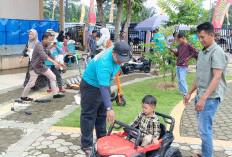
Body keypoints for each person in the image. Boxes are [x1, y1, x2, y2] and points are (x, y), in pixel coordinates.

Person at [184, 22, 228, 157]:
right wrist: (190, 93)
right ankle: (205, 153)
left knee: (205, 130)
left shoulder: (217, 53)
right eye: (199, 37)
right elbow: (200, 76)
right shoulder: (203, 52)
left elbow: (216, 78)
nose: (200, 40)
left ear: (211, 35)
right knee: (203, 129)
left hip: (210, 98)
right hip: (201, 95)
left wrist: (203, 98)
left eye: (203, 37)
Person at [80, 42, 131, 154]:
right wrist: (110, 108)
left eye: (124, 59)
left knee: (102, 114)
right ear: (113, 53)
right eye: (119, 59)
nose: (121, 62)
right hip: (91, 85)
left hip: (104, 84)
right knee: (89, 114)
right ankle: (86, 144)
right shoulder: (104, 63)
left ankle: (102, 139)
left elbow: (105, 87)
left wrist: (106, 107)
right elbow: (103, 88)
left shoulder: (117, 48)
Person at [21, 32, 67, 101]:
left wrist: (60, 63)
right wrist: (54, 63)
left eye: (52, 40)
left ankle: (55, 94)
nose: (51, 41)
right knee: (31, 83)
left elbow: (50, 55)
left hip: (42, 66)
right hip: (34, 67)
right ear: (45, 39)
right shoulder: (38, 45)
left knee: (53, 77)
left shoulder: (46, 46)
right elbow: (44, 56)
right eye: (49, 40)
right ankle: (23, 96)